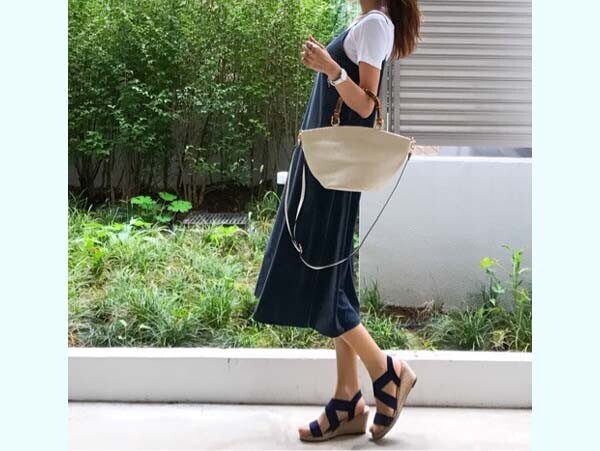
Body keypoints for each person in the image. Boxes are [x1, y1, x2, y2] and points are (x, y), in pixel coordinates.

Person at [252, 0, 422, 442]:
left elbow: (365, 106)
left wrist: (330, 68)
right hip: (326, 169)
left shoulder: (376, 24)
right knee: (334, 277)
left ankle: (386, 371)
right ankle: (348, 399)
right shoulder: (366, 23)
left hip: (332, 175)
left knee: (320, 275)